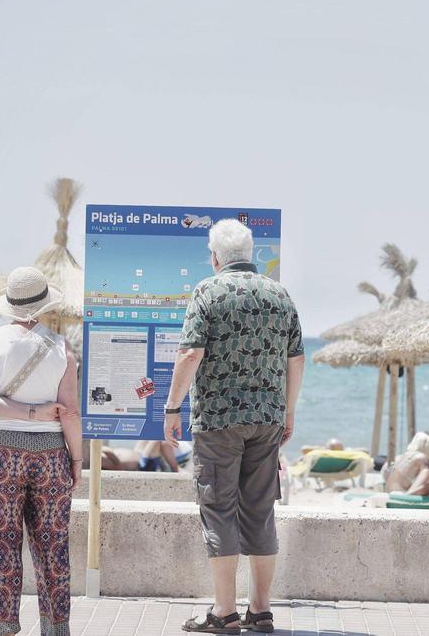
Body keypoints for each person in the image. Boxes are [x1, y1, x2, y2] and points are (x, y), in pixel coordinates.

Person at [163, 219, 304, 634]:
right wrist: (288, 411)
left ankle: (223, 612)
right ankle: (260, 610)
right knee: (260, 512)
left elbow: (190, 354)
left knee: (219, 509)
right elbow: (296, 359)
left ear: (214, 257)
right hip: (267, 421)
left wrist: (172, 407)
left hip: (218, 421)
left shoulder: (207, 291)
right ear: (250, 253)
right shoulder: (280, 294)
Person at [0, 266, 83, 636]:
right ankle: (55, 629)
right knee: (53, 547)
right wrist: (76, 459)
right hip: (51, 454)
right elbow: (70, 411)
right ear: (44, 304)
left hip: (0, 452)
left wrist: (21, 412)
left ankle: (2, 629)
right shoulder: (61, 346)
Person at [383, 431, 429, 495]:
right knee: (428, 473)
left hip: (389, 493)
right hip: (399, 494)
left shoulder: (404, 456)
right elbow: (426, 478)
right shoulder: (420, 457)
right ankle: (409, 494)